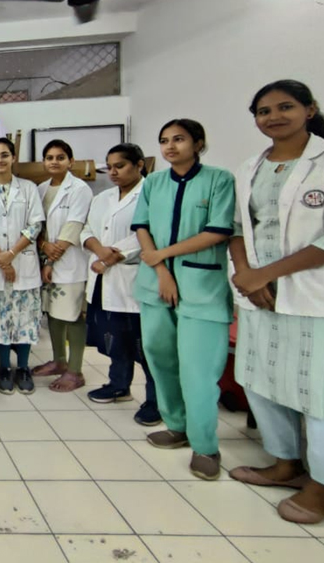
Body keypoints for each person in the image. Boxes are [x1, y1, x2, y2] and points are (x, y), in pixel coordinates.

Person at [227, 80, 324, 523]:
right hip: (258, 295)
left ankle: (319, 487)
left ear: (310, 109)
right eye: (264, 111)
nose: (273, 117)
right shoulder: (250, 167)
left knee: (316, 392)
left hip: (309, 295)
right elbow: (236, 227)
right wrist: (247, 275)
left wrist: (264, 275)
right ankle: (286, 463)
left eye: (285, 107)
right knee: (262, 381)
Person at [131, 119, 235, 480]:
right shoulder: (154, 183)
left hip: (200, 287)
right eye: (164, 141)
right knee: (160, 357)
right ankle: (176, 425)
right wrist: (161, 270)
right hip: (155, 284)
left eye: (179, 139)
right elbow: (141, 226)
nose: (170, 146)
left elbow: (218, 231)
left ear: (198, 143)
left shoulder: (219, 180)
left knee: (198, 370)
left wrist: (164, 255)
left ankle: (205, 446)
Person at [83, 143, 161, 426]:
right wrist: (99, 251)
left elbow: (147, 233)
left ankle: (156, 400)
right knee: (113, 338)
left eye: (120, 166)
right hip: (103, 278)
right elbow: (87, 229)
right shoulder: (102, 197)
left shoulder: (152, 194)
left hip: (133, 278)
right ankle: (119, 385)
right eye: (110, 167)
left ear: (139, 165)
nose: (113, 172)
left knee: (145, 345)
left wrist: (111, 257)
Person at [0, 137, 45, 396]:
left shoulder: (28, 188)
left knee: (26, 318)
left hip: (23, 262)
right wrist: (2, 259)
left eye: (4, 155)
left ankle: (23, 368)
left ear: (13, 157)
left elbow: (35, 225)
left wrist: (11, 254)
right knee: (0, 320)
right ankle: (4, 367)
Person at [32, 140, 92, 393]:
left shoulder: (80, 189)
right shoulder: (41, 188)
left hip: (69, 261)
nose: (54, 162)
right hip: (46, 258)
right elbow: (37, 224)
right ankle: (59, 361)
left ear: (70, 161)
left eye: (60, 157)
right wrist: (43, 246)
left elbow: (74, 226)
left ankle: (75, 371)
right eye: (49, 157)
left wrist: (51, 256)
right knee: (53, 313)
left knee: (73, 315)